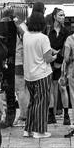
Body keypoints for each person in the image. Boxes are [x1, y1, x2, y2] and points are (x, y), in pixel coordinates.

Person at [21, 10, 55, 138]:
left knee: (33, 102)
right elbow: (47, 58)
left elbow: (20, 25)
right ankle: (39, 131)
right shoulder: (43, 38)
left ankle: (28, 129)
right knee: (41, 102)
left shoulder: (26, 36)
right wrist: (55, 57)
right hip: (42, 74)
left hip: (28, 74)